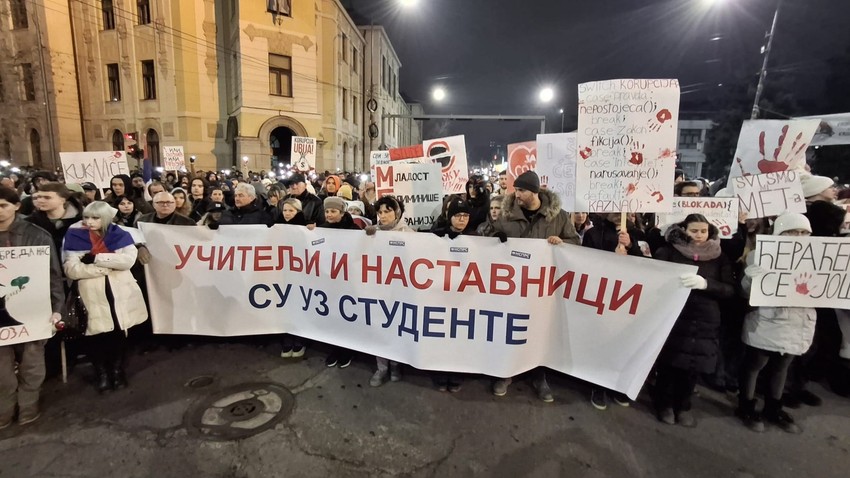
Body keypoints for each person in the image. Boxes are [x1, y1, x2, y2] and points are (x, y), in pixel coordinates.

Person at [490, 170, 581, 402]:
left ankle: (539, 376)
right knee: (511, 328)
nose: (516, 194)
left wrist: (562, 242)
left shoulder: (558, 217)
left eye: (521, 190)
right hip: (512, 286)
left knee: (539, 331)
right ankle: (506, 372)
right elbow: (489, 235)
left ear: (535, 192)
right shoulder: (508, 213)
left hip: (542, 288)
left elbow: (575, 242)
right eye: (516, 190)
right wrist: (494, 235)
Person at [652, 214, 735, 427]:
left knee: (692, 368)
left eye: (703, 231)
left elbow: (729, 290)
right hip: (675, 316)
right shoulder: (668, 251)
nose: (699, 236)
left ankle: (684, 406)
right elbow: (653, 278)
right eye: (694, 231)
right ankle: (664, 404)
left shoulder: (719, 257)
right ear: (683, 230)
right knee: (669, 363)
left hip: (705, 321)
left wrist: (707, 284)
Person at [737, 213, 815, 434]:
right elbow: (745, 293)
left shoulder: (816, 259)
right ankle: (746, 405)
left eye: (803, 232)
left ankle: (773, 406)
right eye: (792, 232)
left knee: (782, 367)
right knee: (755, 366)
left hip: (799, 322)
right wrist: (750, 278)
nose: (798, 237)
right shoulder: (759, 256)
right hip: (767, 320)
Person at [63, 201, 148, 393]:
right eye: (86, 217)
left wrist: (96, 259)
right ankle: (101, 372)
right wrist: (106, 267)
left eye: (95, 218)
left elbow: (127, 260)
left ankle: (117, 371)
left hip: (119, 292)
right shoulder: (75, 235)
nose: (89, 222)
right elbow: (71, 269)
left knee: (118, 332)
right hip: (91, 294)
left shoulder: (120, 234)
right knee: (95, 334)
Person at [0, 187, 64, 429]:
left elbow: (53, 275)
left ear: (16, 205)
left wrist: (56, 308)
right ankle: (5, 407)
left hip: (33, 308)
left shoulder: (36, 235)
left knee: (32, 361)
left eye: (3, 205)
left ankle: (28, 404)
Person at [582, 212, 644, 410]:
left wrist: (632, 247)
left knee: (625, 341)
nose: (619, 212)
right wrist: (612, 259)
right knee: (601, 340)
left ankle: (619, 384)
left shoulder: (640, 235)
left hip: (630, 297)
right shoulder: (593, 234)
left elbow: (651, 264)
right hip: (602, 295)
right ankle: (597, 385)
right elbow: (584, 262)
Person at [365, 196, 414, 387]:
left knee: (397, 328)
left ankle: (396, 364)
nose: (383, 216)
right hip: (378, 291)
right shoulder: (372, 233)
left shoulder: (409, 234)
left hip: (399, 292)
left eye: (387, 211)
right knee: (380, 328)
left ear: (397, 213)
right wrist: (366, 238)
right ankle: (382, 367)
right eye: (380, 212)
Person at [318, 197, 360, 368]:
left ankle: (347, 350)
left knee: (346, 316)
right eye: (327, 211)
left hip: (348, 281)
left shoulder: (354, 229)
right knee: (332, 316)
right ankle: (334, 349)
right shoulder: (322, 229)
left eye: (333, 211)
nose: (329, 214)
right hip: (330, 281)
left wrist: (371, 234)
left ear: (342, 213)